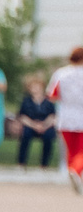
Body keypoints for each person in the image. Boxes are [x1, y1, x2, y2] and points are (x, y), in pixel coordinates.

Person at [51, 44, 83, 192]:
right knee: (81, 150)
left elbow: (53, 95)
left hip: (65, 116)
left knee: (71, 150)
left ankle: (73, 173)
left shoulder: (61, 73)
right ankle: (76, 170)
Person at [16, 73, 58, 169]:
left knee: (49, 136)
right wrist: (34, 125)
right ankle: (21, 163)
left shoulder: (49, 101)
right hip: (30, 125)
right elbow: (22, 116)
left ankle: (44, 164)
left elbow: (53, 115)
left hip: (45, 125)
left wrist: (44, 125)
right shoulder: (26, 101)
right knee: (26, 134)